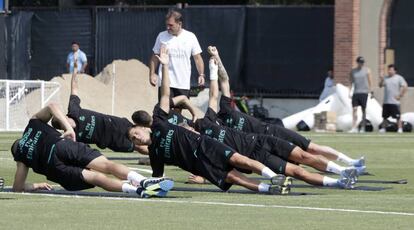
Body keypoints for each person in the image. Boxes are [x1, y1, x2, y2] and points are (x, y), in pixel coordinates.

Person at [129, 46, 289, 195]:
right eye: (133, 139)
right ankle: (269, 189)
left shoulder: (159, 121)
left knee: (238, 159)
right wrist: (143, 185)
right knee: (232, 178)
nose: (136, 138)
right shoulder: (154, 154)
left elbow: (166, 94)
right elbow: (157, 178)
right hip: (198, 164)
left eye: (135, 133)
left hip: (205, 145)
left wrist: (164, 66)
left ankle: (274, 176)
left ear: (141, 128)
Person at [181, 56, 356, 189]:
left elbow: (215, 92)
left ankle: (344, 171)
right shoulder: (203, 144)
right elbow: (216, 167)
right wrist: (203, 179)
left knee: (305, 156)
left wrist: (213, 67)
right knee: (299, 172)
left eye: (187, 127)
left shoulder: (209, 121)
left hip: (263, 139)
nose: (189, 130)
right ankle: (339, 182)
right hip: (257, 157)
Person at [206, 46, 366, 169]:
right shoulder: (217, 133)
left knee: (311, 147)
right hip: (263, 146)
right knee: (304, 159)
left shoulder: (225, 110)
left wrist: (217, 58)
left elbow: (224, 81)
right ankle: (340, 171)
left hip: (272, 130)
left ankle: (351, 162)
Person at [10, 103, 173, 198]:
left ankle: (138, 191)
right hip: (62, 146)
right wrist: (68, 128)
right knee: (107, 165)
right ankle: (142, 181)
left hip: (54, 167)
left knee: (96, 178)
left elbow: (17, 188)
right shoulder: (32, 125)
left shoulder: (20, 158)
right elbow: (52, 106)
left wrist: (37, 185)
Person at [51, 71, 139, 153]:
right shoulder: (74, 136)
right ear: (62, 127)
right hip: (112, 141)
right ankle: (151, 156)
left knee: (139, 131)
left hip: (115, 123)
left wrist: (75, 70)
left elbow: (74, 89)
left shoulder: (74, 110)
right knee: (139, 147)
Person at [149, 9, 205, 101]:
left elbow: (198, 58)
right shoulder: (161, 36)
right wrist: (151, 74)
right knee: (165, 110)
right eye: (167, 24)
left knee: (178, 114)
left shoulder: (190, 37)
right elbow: (155, 57)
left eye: (171, 25)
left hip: (183, 83)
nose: (168, 27)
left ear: (179, 23)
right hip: (165, 82)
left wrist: (201, 75)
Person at [379, 64, 408, 133]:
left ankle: (400, 129)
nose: (389, 71)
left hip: (395, 102)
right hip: (386, 101)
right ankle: (383, 128)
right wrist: (382, 80)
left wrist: (400, 95)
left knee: (398, 117)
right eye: (388, 70)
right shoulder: (386, 78)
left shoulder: (399, 78)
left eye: (391, 70)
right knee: (385, 117)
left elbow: (405, 86)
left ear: (395, 71)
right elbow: (380, 85)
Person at [348, 56, 373, 133]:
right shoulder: (353, 71)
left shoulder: (367, 70)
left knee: (363, 110)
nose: (361, 64)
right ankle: (354, 127)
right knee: (354, 109)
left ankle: (363, 127)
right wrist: (349, 92)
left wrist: (371, 91)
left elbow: (370, 81)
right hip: (356, 92)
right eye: (360, 62)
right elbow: (350, 82)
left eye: (362, 62)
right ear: (357, 62)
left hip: (364, 93)